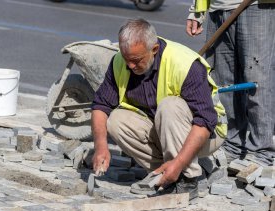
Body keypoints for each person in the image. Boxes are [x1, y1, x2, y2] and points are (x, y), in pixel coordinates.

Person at [91, 18, 227, 200]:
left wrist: (179, 163)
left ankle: (187, 178)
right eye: (126, 59)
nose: (130, 66)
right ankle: (164, 172)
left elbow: (204, 121)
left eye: (136, 60)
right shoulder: (120, 63)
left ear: (154, 50)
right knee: (116, 120)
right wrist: (100, 146)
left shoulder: (184, 64)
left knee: (169, 106)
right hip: (164, 130)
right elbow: (101, 105)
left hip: (208, 134)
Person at [186, 0, 275, 166]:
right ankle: (231, 145)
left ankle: (261, 151)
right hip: (218, 8)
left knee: (257, 80)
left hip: (255, 6)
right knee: (224, 82)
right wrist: (196, 12)